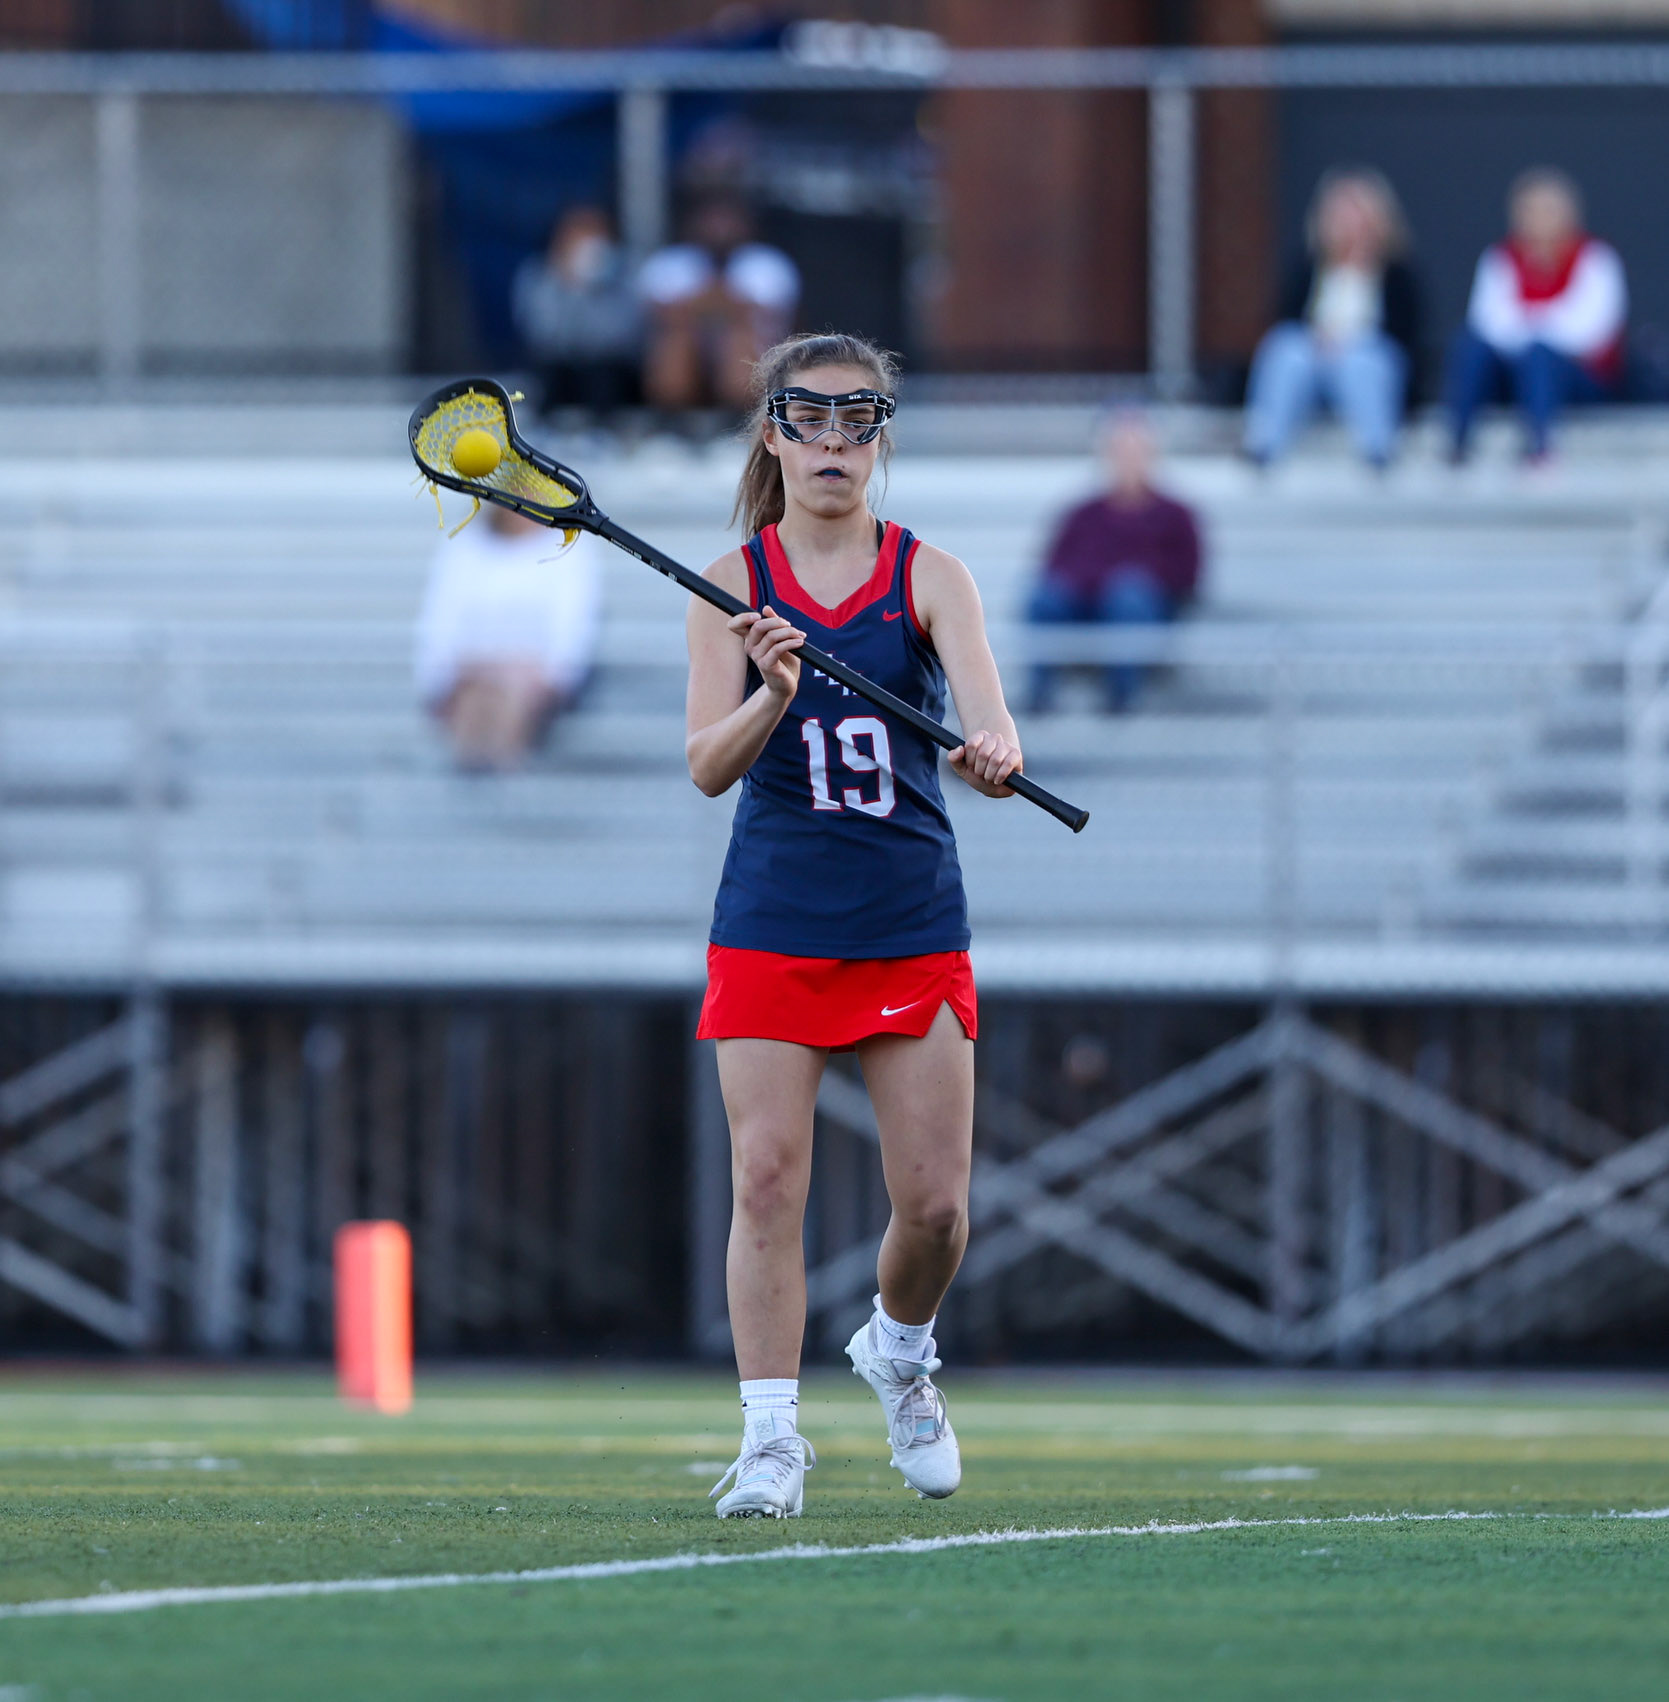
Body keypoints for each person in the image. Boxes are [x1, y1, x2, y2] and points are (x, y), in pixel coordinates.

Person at [687, 331, 1022, 1519]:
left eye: (857, 419)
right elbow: (705, 766)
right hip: (774, 917)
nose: (833, 440)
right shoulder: (731, 584)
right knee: (765, 1178)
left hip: (906, 916)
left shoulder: (932, 576)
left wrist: (991, 758)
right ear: (773, 434)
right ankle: (770, 1437)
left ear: (881, 438)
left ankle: (900, 1349)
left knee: (935, 1209)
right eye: (810, 417)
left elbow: (991, 737)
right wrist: (774, 695)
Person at [1445, 168, 1627, 463]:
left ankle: (1539, 448)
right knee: (1470, 347)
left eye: (1548, 210)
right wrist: (1540, 327)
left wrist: (1532, 328)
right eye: (1530, 210)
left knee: (1539, 356)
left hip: (1576, 377)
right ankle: (1458, 444)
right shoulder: (1500, 257)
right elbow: (1488, 322)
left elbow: (1592, 329)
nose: (1539, 219)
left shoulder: (1596, 257)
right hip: (1512, 371)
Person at [1026, 408, 1202, 713]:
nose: (1127, 460)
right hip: (1084, 606)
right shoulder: (1082, 514)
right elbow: (1054, 566)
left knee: (1128, 595)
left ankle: (1121, 698)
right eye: (1119, 451)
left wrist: (1128, 579)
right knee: (1044, 599)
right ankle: (1039, 698)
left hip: (1145, 610)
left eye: (1136, 451)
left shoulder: (1176, 515)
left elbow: (1187, 575)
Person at [1243, 168, 1419, 468]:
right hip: (1313, 363)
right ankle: (1264, 446)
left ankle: (1378, 450)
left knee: (1362, 361)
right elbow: (1286, 320)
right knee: (1286, 349)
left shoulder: (1397, 275)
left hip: (1364, 362)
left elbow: (1405, 337)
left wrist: (1349, 342)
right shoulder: (1307, 268)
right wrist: (1320, 341)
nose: (1349, 226)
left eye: (1357, 217)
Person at [413, 503, 602, 771]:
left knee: (504, 700)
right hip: (474, 679)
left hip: (531, 683)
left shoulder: (569, 547)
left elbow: (572, 629)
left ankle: (490, 777)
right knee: (479, 702)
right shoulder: (464, 544)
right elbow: (441, 624)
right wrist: (455, 678)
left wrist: (543, 678)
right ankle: (486, 778)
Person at [639, 196, 800, 413]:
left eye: (726, 220)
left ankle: (737, 417)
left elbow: (762, 315)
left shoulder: (768, 262)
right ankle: (673, 416)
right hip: (691, 351)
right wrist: (725, 304)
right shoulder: (669, 262)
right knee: (678, 338)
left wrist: (700, 304)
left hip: (754, 354)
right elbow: (663, 315)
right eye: (711, 220)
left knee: (738, 337)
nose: (719, 229)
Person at [511, 205, 643, 419]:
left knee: (603, 376)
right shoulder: (537, 275)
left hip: (610, 375)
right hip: (559, 373)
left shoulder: (629, 273)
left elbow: (624, 337)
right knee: (548, 375)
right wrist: (569, 287)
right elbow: (542, 335)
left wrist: (597, 289)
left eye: (594, 231)